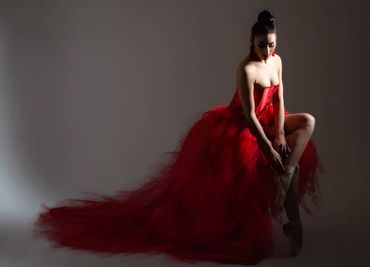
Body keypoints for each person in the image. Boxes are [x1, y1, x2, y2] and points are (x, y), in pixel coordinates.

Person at [34, 9, 323, 265]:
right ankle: (291, 213)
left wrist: (281, 138)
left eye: (272, 45)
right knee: (271, 166)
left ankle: (285, 176)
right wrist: (268, 147)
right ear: (251, 41)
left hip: (269, 121)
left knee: (306, 122)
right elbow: (248, 116)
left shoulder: (277, 60)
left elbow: (280, 97)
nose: (267, 52)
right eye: (262, 45)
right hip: (245, 127)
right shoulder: (246, 69)